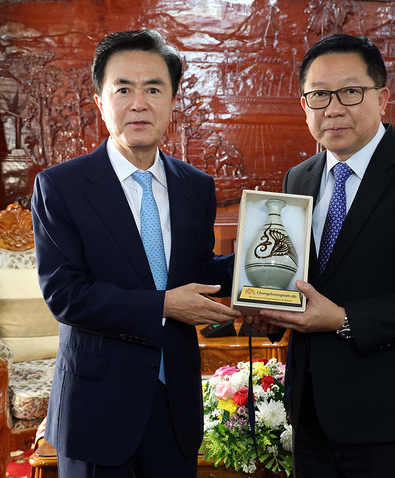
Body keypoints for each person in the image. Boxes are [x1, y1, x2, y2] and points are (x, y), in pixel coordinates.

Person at [246, 34, 395, 477]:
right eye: (318, 95)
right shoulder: (299, 177)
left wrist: (343, 318)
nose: (333, 109)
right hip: (310, 414)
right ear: (305, 105)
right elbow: (302, 280)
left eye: (350, 92)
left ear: (382, 99)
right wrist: (272, 312)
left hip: (390, 415)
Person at [31, 29, 240, 477]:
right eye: (123, 89)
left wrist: (258, 269)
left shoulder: (195, 186)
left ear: (173, 101)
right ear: (100, 101)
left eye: (153, 89)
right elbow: (66, 296)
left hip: (175, 400)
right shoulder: (60, 187)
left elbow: (196, 269)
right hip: (97, 408)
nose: (139, 103)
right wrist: (163, 305)